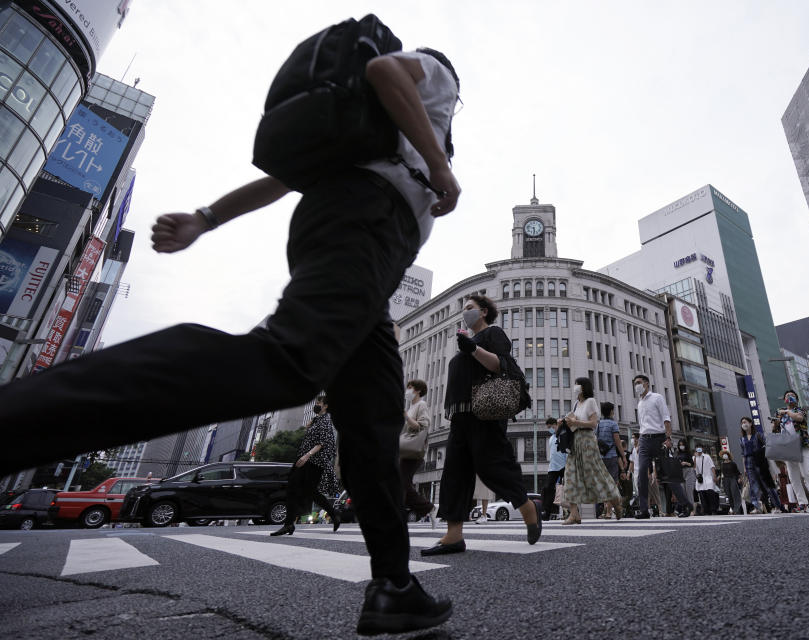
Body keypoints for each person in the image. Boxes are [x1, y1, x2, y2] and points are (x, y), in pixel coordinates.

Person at [0, 46, 462, 635]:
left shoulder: (365, 134)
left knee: (373, 420)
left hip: (367, 255)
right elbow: (384, 69)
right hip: (366, 229)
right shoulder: (434, 75)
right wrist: (440, 165)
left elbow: (281, 180)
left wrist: (205, 217)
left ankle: (394, 586)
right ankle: (13, 419)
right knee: (286, 363)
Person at [425, 295, 541, 555]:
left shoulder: (493, 334)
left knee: (493, 467)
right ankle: (453, 535)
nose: (465, 312)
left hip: (484, 415)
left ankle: (527, 507)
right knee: (454, 473)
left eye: (470, 308)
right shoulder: (466, 341)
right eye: (463, 309)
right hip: (460, 417)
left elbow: (502, 365)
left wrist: (473, 350)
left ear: (484, 311)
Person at [273, 395, 341, 535]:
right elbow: (311, 440)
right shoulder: (316, 420)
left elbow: (322, 442)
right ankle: (289, 524)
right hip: (305, 459)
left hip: (314, 461)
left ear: (326, 406)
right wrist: (308, 428)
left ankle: (334, 514)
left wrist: (307, 455)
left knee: (309, 491)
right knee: (295, 487)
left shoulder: (326, 420)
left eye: (318, 403)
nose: (316, 404)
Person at [560, 377, 623, 524]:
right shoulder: (576, 404)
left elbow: (594, 423)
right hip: (575, 441)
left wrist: (575, 422)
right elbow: (574, 422)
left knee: (595, 474)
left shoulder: (591, 401)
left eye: (577, 384)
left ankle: (615, 501)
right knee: (570, 475)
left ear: (584, 387)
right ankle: (574, 513)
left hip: (587, 441)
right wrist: (565, 422)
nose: (575, 387)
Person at [632, 374, 692, 519]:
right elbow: (642, 425)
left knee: (667, 474)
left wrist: (668, 437)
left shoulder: (657, 397)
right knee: (641, 475)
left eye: (639, 382)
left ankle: (686, 505)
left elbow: (666, 417)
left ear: (646, 383)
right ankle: (644, 509)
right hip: (645, 440)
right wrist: (639, 443)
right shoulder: (639, 403)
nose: (637, 386)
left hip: (659, 438)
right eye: (635, 383)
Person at [772, 390, 809, 513]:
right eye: (787, 396)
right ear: (784, 399)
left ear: (796, 399)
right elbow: (775, 429)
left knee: (807, 472)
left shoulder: (800, 410)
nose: (789, 397)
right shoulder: (780, 413)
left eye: (792, 396)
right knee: (793, 476)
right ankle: (802, 503)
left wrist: (787, 412)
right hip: (788, 447)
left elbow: (799, 418)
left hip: (801, 444)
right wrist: (776, 421)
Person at [399, 379, 435, 525]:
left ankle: (429, 509)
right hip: (405, 451)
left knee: (403, 484)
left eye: (410, 387)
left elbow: (423, 425)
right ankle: (428, 510)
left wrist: (405, 416)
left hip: (414, 451)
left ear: (418, 390)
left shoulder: (421, 404)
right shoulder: (411, 407)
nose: (407, 390)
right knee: (402, 485)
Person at [738, 417, 782, 514]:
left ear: (750, 423)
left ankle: (777, 506)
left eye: (745, 422)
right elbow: (743, 454)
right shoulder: (742, 439)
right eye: (742, 423)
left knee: (767, 484)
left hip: (759, 460)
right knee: (753, 486)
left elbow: (767, 444)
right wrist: (744, 467)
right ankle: (757, 507)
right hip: (748, 462)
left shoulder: (758, 435)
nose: (743, 424)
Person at [596, 401, 627, 518]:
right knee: (613, 484)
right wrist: (623, 456)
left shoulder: (599, 424)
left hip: (601, 458)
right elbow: (618, 442)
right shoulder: (613, 424)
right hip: (612, 456)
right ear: (611, 411)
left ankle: (608, 510)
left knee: (605, 484)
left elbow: (596, 440)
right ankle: (612, 509)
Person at [541, 418, 566, 520]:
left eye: (552, 427)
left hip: (564, 466)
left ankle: (573, 510)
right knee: (548, 488)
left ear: (556, 425)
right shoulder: (551, 438)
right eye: (548, 428)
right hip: (553, 468)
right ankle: (546, 512)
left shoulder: (563, 434)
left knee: (568, 488)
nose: (550, 429)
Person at [693, 447, 719, 515]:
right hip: (701, 479)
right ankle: (706, 510)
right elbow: (694, 468)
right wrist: (695, 458)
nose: (698, 452)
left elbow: (712, 466)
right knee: (702, 495)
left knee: (710, 494)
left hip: (708, 478)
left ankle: (713, 510)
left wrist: (714, 476)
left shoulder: (707, 457)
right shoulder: (695, 458)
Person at [718, 450, 743, 515]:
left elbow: (737, 472)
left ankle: (736, 509)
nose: (724, 455)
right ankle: (733, 508)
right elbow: (722, 473)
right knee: (729, 495)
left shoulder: (733, 463)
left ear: (728, 455)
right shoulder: (722, 464)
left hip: (732, 479)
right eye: (723, 454)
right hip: (725, 480)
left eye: (726, 454)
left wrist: (740, 478)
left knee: (735, 493)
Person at [677, 440, 697, 508]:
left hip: (688, 471)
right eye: (680, 445)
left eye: (682, 444)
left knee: (689, 491)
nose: (681, 446)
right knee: (683, 491)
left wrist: (685, 463)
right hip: (681, 472)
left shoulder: (688, 453)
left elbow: (692, 464)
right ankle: (685, 508)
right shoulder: (678, 453)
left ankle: (691, 508)